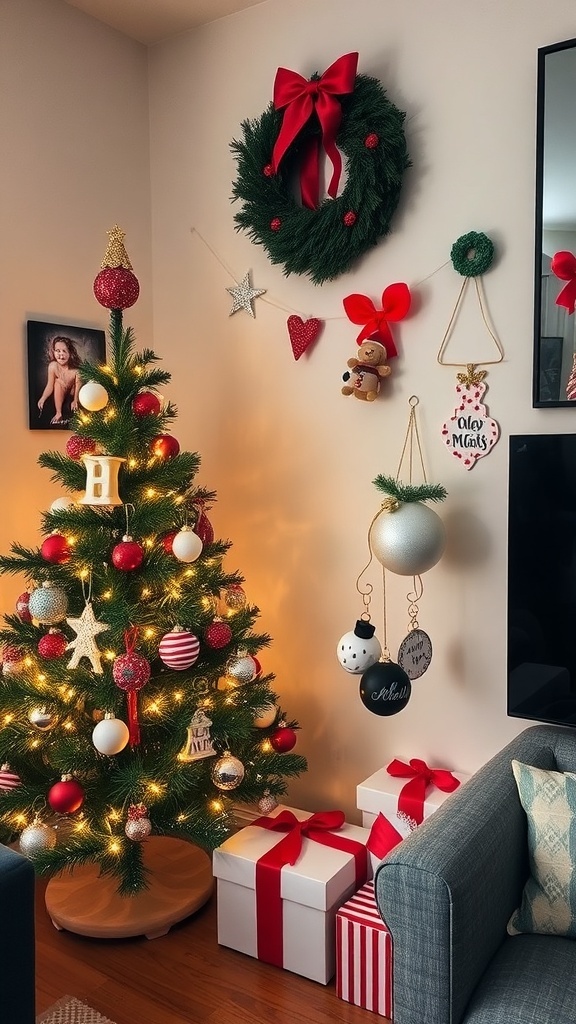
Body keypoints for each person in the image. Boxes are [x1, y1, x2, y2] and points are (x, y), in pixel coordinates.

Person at [37, 336, 81, 425]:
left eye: (64, 351)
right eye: (58, 351)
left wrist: (75, 400)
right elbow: (50, 385)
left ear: (70, 353)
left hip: (72, 391)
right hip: (61, 390)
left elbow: (78, 387)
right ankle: (58, 413)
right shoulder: (53, 366)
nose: (61, 355)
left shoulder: (76, 371)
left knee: (70, 386)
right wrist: (43, 397)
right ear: (54, 352)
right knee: (58, 383)